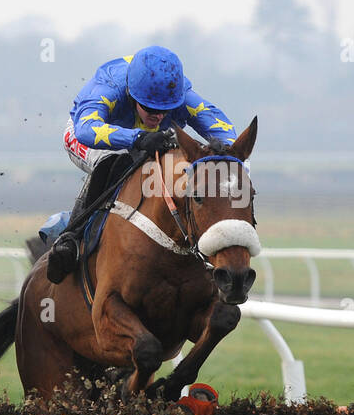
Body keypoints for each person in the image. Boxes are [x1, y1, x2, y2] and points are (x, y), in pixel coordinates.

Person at [45, 45, 239, 283]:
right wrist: (137, 138)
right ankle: (71, 237)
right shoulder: (110, 86)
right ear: (131, 94)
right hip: (90, 135)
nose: (158, 115)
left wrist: (220, 153)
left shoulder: (181, 95)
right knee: (115, 161)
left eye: (165, 109)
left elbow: (226, 132)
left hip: (145, 138)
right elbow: (85, 129)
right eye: (150, 108)